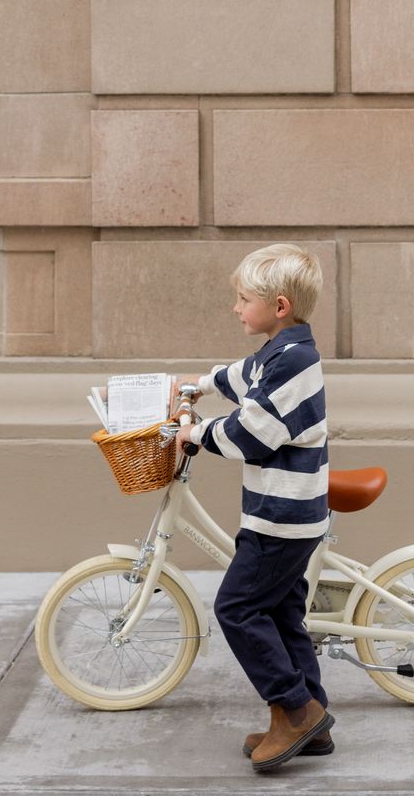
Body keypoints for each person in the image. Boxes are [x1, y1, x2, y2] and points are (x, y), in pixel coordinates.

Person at [175, 243, 334, 772]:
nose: (236, 308)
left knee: (237, 608)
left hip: (282, 518)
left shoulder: (294, 363)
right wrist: (197, 385)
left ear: (279, 306)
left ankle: (295, 710)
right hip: (286, 511)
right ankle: (313, 720)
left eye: (244, 300)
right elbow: (241, 376)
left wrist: (196, 433)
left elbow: (251, 435)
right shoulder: (281, 353)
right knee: (283, 612)